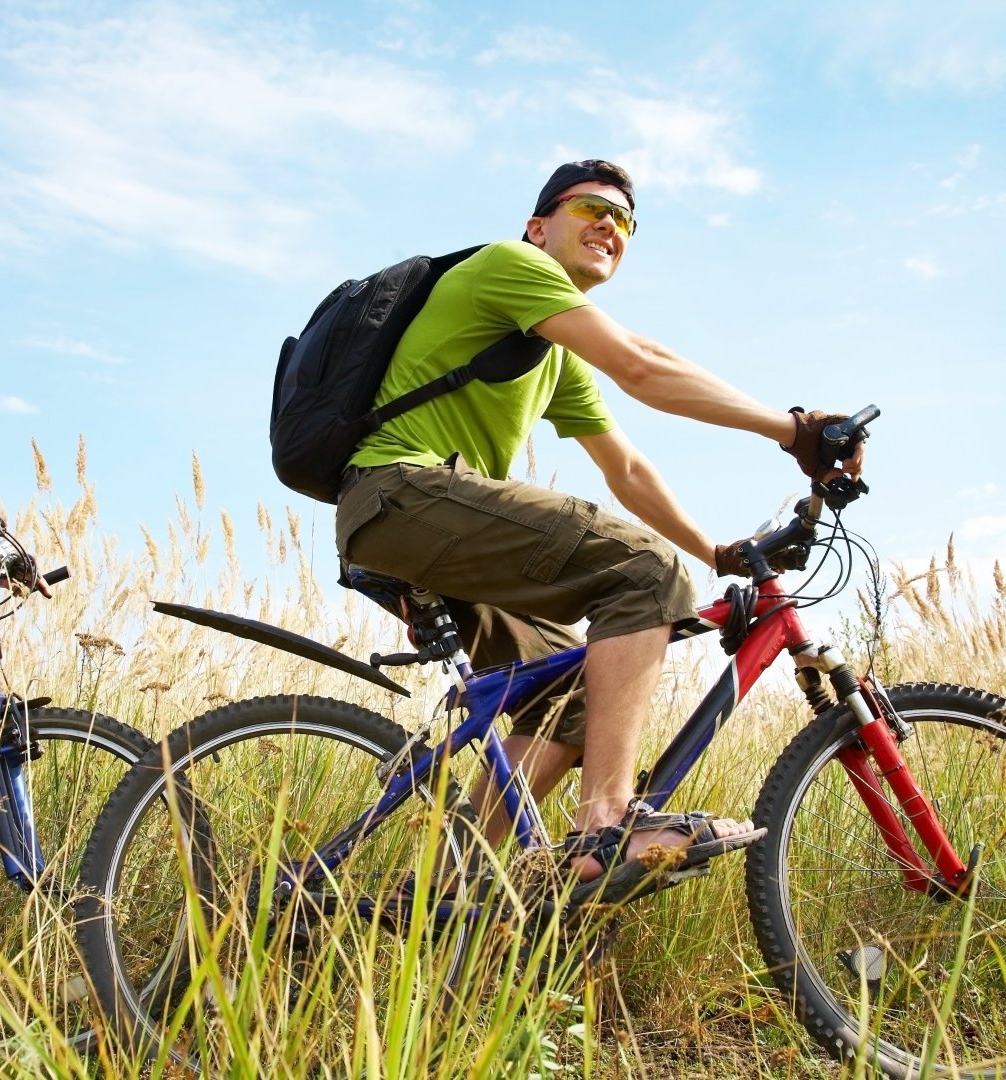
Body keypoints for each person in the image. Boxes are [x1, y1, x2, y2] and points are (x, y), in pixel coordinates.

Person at [334, 160, 863, 889]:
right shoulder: (508, 266)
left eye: (625, 221)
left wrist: (714, 550)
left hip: (415, 522)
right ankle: (608, 824)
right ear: (538, 226)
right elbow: (643, 366)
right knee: (645, 573)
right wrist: (793, 429)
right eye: (591, 209)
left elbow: (627, 470)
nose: (610, 226)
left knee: (579, 698)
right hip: (404, 491)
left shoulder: (551, 355)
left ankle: (444, 891)